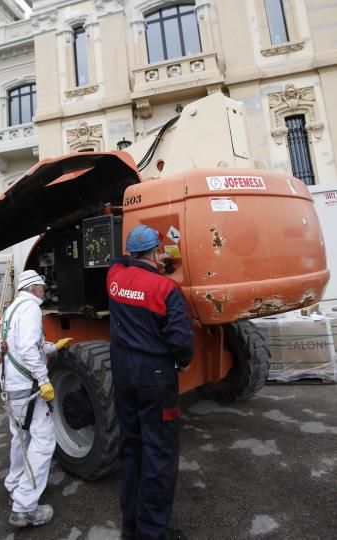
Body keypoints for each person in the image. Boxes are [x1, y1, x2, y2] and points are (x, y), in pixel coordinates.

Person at [106, 225, 194, 540]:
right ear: (156, 253)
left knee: (132, 447)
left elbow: (120, 261)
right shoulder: (166, 289)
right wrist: (184, 361)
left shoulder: (114, 276)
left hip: (123, 368)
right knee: (159, 452)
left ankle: (130, 527)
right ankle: (153, 532)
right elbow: (180, 341)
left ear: (131, 252)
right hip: (154, 374)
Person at [0, 269, 72, 528]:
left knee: (21, 439)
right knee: (44, 442)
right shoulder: (30, 308)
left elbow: (15, 347)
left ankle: (14, 486)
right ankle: (24, 507)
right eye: (42, 287)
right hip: (28, 388)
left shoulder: (10, 309)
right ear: (33, 288)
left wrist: (53, 346)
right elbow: (28, 349)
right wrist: (43, 380)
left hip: (12, 387)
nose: (44, 291)